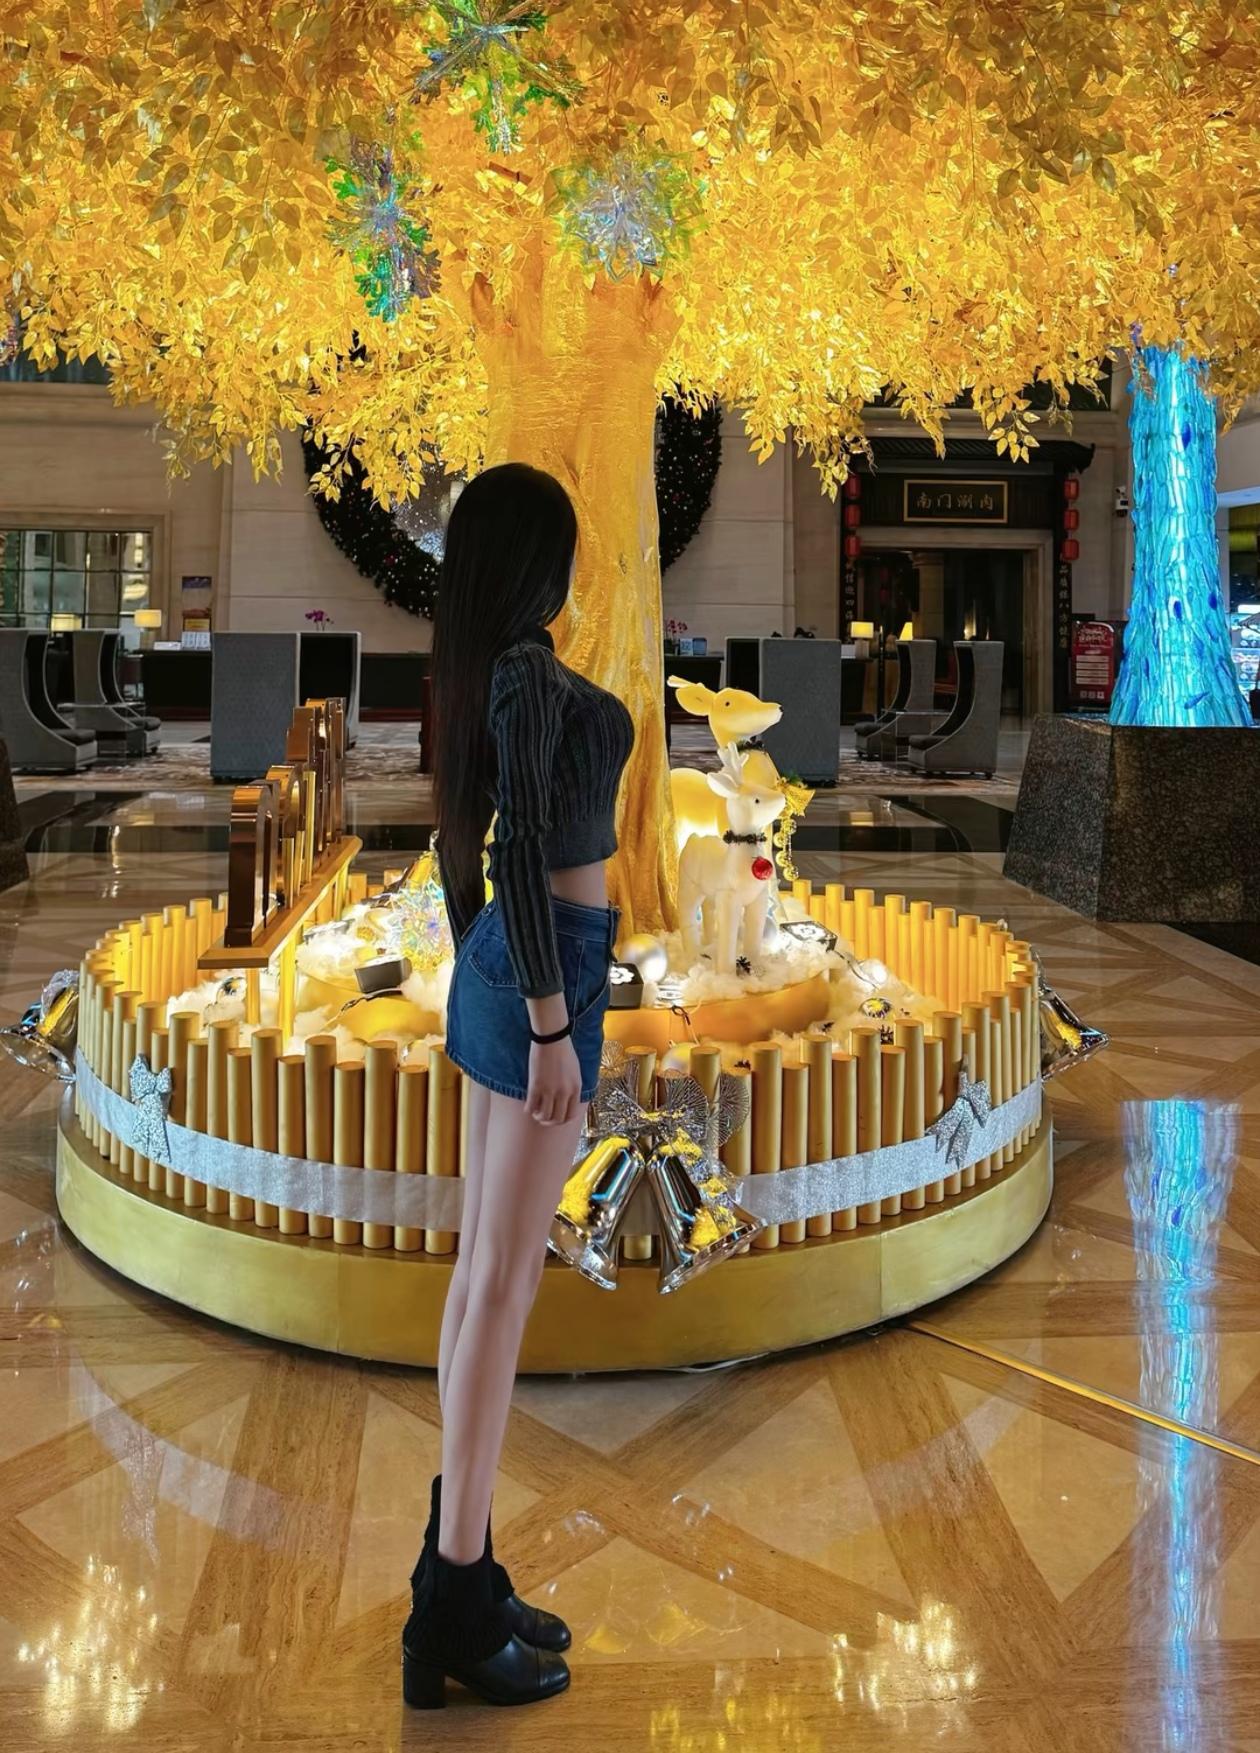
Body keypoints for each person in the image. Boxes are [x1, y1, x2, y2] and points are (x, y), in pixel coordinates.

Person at [401, 462, 633, 1709]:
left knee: (483, 1273)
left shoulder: (486, 673)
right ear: (538, 560)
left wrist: (494, 966)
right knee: (501, 1280)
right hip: (547, 970)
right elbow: (525, 845)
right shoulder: (527, 674)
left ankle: (466, 1567)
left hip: (518, 959)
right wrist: (549, 1021)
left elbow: (468, 845)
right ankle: (452, 1595)